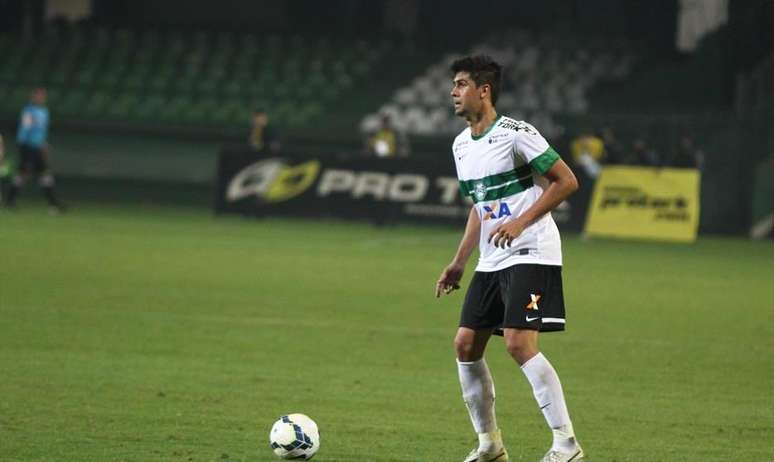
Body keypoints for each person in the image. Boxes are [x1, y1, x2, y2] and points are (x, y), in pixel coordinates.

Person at [436, 55, 584, 462]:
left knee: (518, 343)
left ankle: (566, 444)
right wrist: (459, 261)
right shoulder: (461, 146)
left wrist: (520, 222)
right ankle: (490, 445)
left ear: (484, 91)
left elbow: (566, 181)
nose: (453, 92)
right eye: (454, 85)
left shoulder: (517, 134)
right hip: (492, 257)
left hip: (532, 249)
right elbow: (480, 207)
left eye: (462, 84)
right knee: (466, 344)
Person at [3, 87, 65, 212]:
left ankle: (53, 204)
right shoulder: (29, 111)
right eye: (39, 96)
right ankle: (10, 201)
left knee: (43, 173)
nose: (41, 98)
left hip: (37, 147)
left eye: (43, 96)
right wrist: (23, 146)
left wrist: (43, 144)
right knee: (24, 173)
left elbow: (41, 131)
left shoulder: (45, 112)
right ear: (33, 97)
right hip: (27, 146)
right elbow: (25, 130)